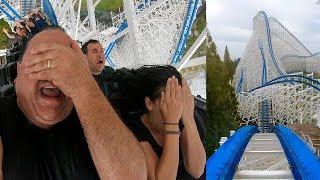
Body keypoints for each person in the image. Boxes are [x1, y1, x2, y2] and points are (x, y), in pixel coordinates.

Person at [0, 26, 147, 179]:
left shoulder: (98, 115)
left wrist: (84, 84)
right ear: (17, 72)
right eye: (41, 59)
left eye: (67, 64)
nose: (54, 72)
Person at [107, 66, 206, 180]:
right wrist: (171, 125)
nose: (174, 108)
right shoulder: (134, 130)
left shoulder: (183, 116)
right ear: (149, 103)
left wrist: (189, 119)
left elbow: (197, 170)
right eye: (168, 102)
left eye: (178, 101)